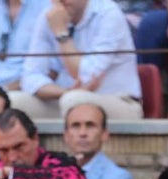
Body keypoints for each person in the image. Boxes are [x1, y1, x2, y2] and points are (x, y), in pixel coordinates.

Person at [15, 0, 143, 122]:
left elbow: (85, 76)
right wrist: (64, 92)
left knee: (74, 101)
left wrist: (61, 32)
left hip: (118, 102)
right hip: (66, 99)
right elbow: (29, 77)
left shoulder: (108, 14)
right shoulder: (49, 16)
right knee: (16, 101)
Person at [63, 102, 131, 179]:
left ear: (104, 134)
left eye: (90, 125)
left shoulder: (118, 178)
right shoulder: (55, 171)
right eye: (76, 126)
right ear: (66, 135)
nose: (83, 133)